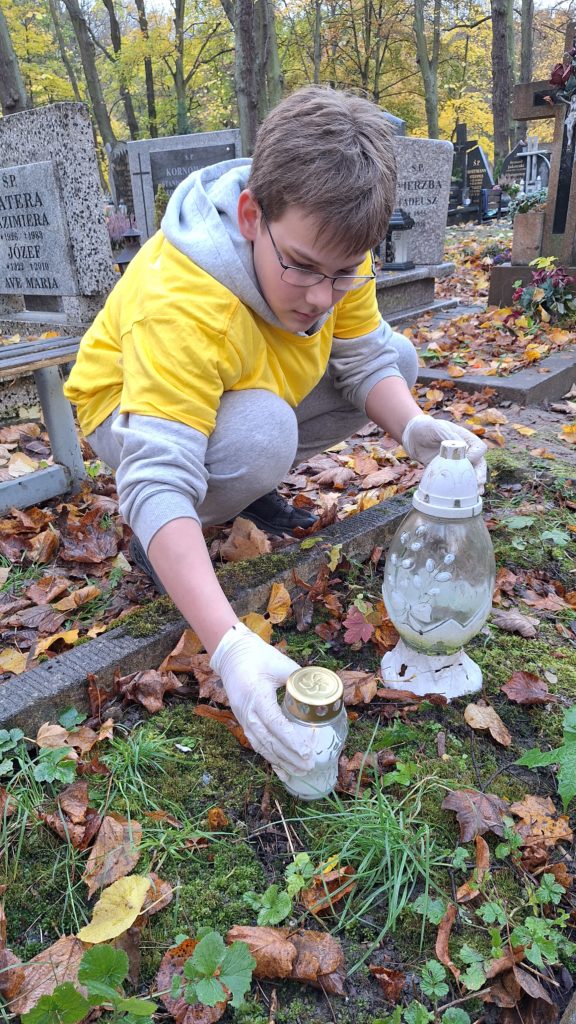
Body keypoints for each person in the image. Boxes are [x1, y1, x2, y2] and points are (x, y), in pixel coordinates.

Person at [64, 86, 486, 779]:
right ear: (251, 215)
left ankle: (234, 493)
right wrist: (229, 647)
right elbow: (157, 469)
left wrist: (412, 430)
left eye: (343, 273)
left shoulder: (331, 237)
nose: (322, 297)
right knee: (260, 437)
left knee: (399, 363)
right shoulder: (185, 298)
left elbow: (365, 356)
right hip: (128, 410)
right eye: (302, 268)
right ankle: (179, 536)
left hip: (249, 382)